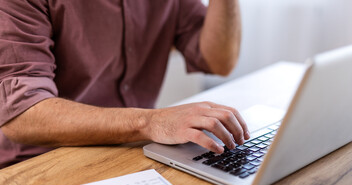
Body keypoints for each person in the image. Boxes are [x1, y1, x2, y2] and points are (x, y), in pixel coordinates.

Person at [0, 0, 250, 167]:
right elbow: (22, 112)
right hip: (37, 165)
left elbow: (219, 62)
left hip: (131, 152)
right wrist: (150, 121)